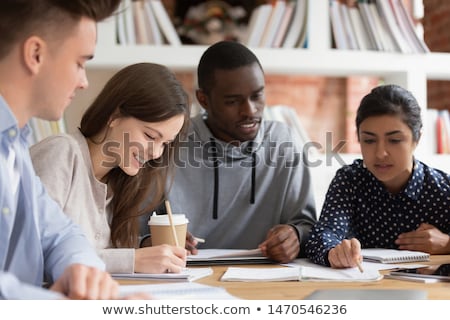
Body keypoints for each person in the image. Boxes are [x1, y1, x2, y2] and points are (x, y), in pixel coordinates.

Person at [0, 0, 131, 299]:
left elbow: (61, 233)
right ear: (35, 54)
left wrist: (80, 270)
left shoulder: (15, 144)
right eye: (80, 63)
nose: (84, 82)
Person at [146, 41, 317, 263]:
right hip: (185, 273)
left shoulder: (283, 142)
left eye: (257, 96)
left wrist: (294, 235)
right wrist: (155, 241)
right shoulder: (169, 141)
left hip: (266, 275)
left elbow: (308, 226)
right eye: (233, 101)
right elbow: (132, 233)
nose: (249, 110)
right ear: (203, 100)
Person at [30, 63, 190, 275]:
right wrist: (132, 260)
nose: (156, 153)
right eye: (150, 136)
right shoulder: (62, 152)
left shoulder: (119, 182)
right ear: (114, 116)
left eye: (165, 143)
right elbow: (35, 252)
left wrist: (146, 247)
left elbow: (97, 251)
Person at [306, 84, 450, 268]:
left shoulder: (442, 189)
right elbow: (323, 234)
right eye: (369, 140)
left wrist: (447, 244)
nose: (381, 153)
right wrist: (333, 252)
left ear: (417, 139)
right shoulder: (350, 181)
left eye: (394, 140)